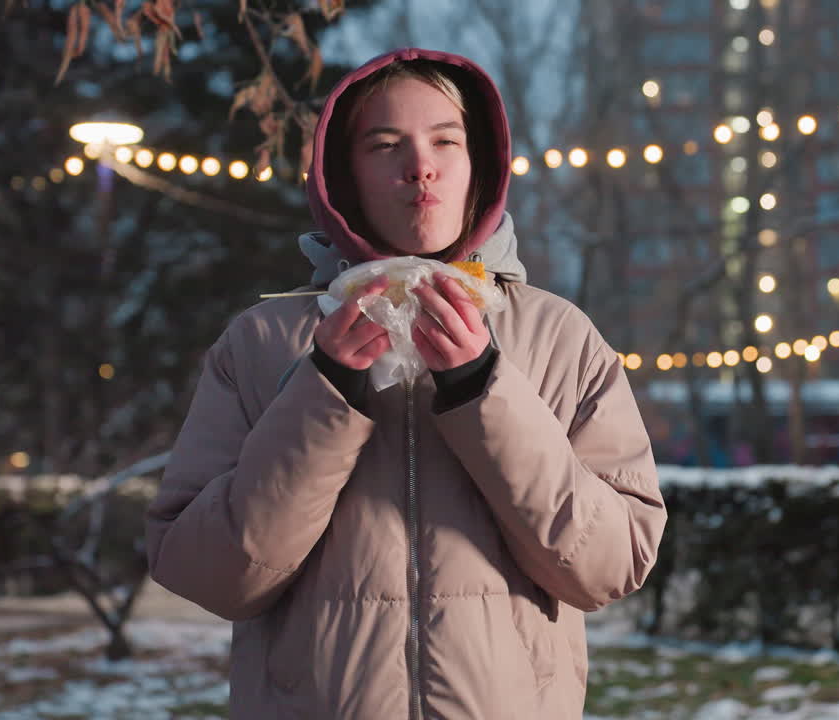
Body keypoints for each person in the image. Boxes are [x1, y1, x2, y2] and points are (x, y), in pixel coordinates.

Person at [145, 48, 666, 719]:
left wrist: (484, 389)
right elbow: (207, 574)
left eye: (445, 140)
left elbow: (609, 568)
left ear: (480, 165)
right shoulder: (262, 342)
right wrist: (323, 390)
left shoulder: (560, 338)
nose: (420, 166)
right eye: (385, 144)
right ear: (344, 175)